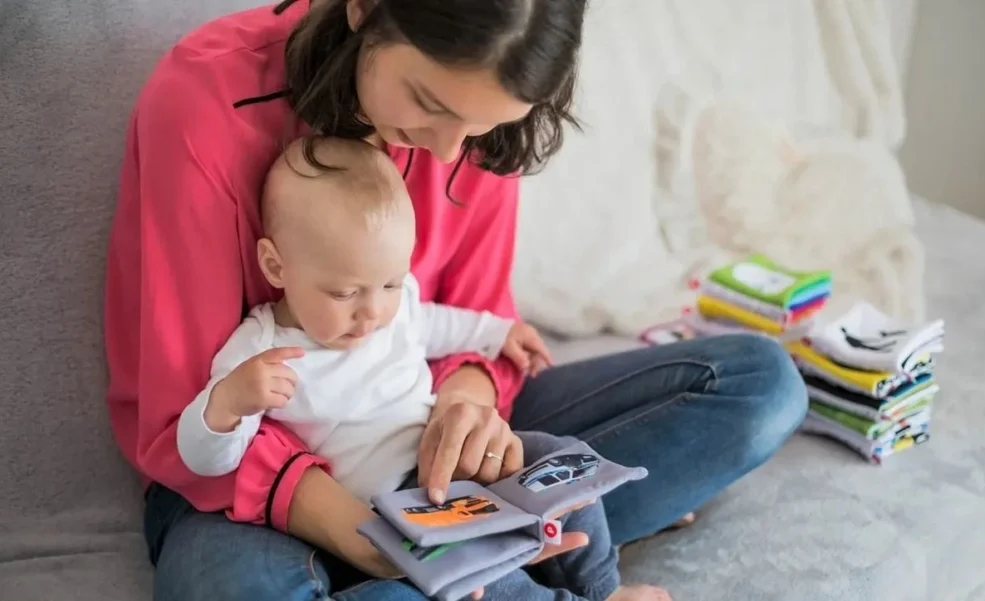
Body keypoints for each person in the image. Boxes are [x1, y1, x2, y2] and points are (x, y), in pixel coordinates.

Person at [103, 0, 809, 599]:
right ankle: (465, 563)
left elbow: (473, 322)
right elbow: (184, 418)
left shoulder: (475, 127)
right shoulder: (203, 105)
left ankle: (476, 555)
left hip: (420, 440)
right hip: (240, 481)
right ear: (363, 9)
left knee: (761, 385)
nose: (448, 153)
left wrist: (466, 410)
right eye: (430, 104)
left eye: (481, 126)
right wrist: (365, 533)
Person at [173, 136, 665, 600]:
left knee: (565, 460)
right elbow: (205, 459)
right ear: (276, 266)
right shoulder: (262, 349)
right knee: (479, 571)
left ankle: (604, 586)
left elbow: (431, 323)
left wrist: (496, 333)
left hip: (451, 455)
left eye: (389, 284)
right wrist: (228, 405)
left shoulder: (390, 301)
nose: (372, 312)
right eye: (344, 293)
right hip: (396, 502)